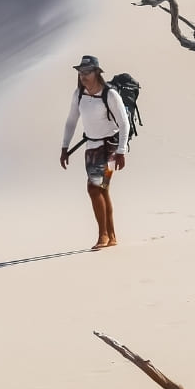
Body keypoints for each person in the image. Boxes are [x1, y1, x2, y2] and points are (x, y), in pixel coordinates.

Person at [59, 54, 128, 250]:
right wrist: (65, 147)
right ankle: (112, 235)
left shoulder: (110, 94)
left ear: (97, 72)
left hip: (111, 149)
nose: (83, 76)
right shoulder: (79, 95)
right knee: (102, 189)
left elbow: (124, 124)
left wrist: (122, 151)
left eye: (87, 72)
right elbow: (71, 121)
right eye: (81, 72)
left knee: (94, 187)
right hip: (91, 149)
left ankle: (103, 235)